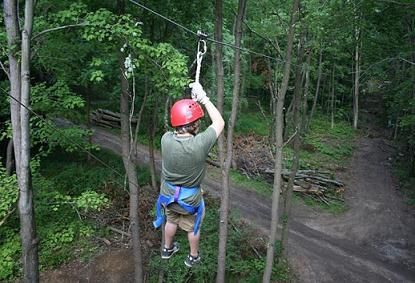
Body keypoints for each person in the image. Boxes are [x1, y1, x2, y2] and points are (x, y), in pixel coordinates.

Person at [153, 82, 224, 267]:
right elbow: (219, 122)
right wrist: (203, 99)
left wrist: (190, 108)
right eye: (197, 123)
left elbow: (177, 128)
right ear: (193, 126)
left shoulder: (165, 139)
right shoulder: (199, 145)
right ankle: (193, 256)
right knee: (194, 226)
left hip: (168, 196)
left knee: (171, 220)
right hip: (189, 202)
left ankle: (167, 248)